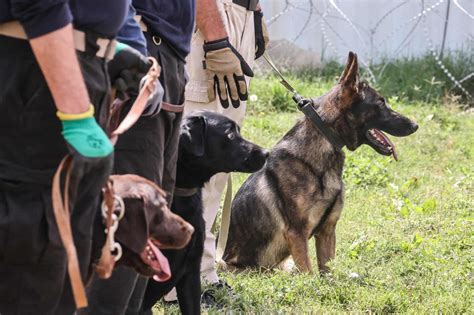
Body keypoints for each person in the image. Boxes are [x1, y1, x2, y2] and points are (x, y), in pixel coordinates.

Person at [0, 1, 150, 314]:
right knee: (29, 264)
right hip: (39, 73)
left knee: (66, 265)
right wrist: (76, 110)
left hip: (73, 67)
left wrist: (110, 46)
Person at [81, 1, 195, 314]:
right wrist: (135, 55)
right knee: (126, 221)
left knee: (149, 225)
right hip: (141, 55)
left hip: (168, 58)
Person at [169, 0, 269, 306]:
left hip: (237, 18)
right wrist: (216, 37)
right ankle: (176, 283)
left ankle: (203, 270)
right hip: (211, 20)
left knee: (222, 163)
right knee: (198, 158)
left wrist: (255, 15)